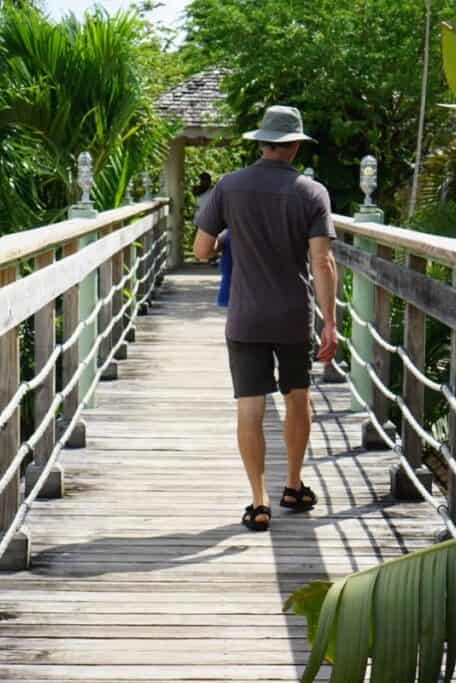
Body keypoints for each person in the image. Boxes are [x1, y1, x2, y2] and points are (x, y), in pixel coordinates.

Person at [193, 105, 338, 532]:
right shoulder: (312, 193)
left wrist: (226, 238)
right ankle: (293, 485)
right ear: (294, 146)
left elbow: (201, 250)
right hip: (293, 314)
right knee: (298, 398)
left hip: (246, 317)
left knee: (250, 408)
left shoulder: (229, 186)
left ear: (260, 143)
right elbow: (323, 261)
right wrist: (328, 321)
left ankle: (258, 502)